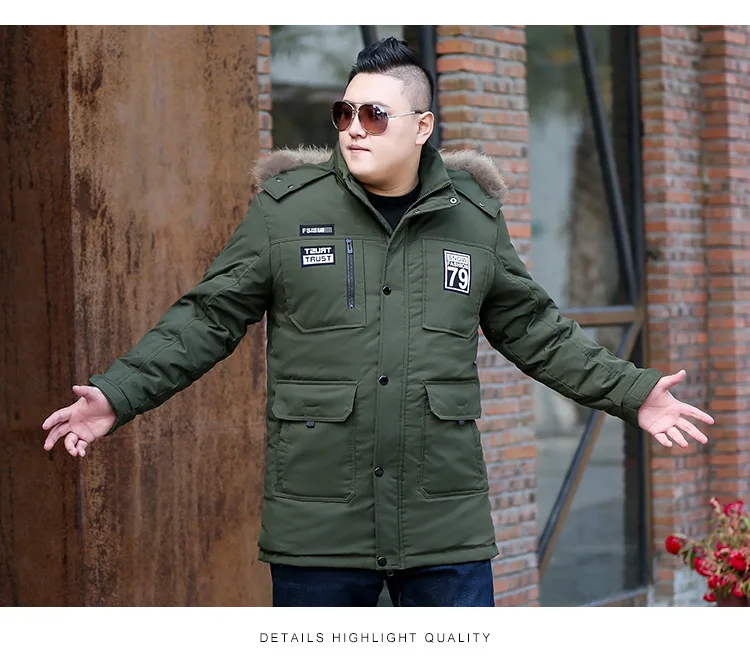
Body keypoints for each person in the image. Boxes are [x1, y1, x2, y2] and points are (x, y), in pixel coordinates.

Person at [41, 37, 714, 607]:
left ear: (422, 127)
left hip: (442, 524)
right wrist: (118, 394)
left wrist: (633, 392)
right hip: (320, 526)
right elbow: (206, 317)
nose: (353, 128)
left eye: (374, 114)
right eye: (344, 113)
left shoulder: (473, 221)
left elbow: (538, 331)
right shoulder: (285, 212)